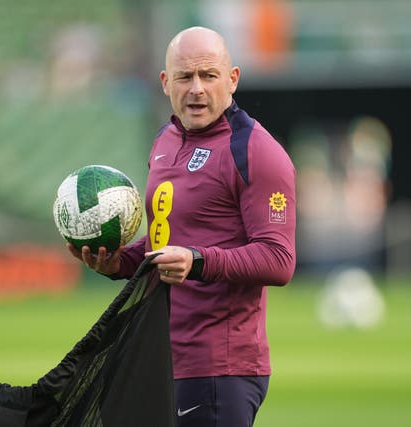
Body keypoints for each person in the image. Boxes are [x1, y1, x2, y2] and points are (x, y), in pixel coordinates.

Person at [68, 26, 296, 427]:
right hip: (158, 355)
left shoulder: (256, 151)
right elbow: (169, 240)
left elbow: (278, 260)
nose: (196, 89)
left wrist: (197, 260)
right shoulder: (166, 140)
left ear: (233, 79)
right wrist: (119, 263)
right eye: (184, 76)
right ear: (164, 82)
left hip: (218, 370)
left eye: (208, 75)